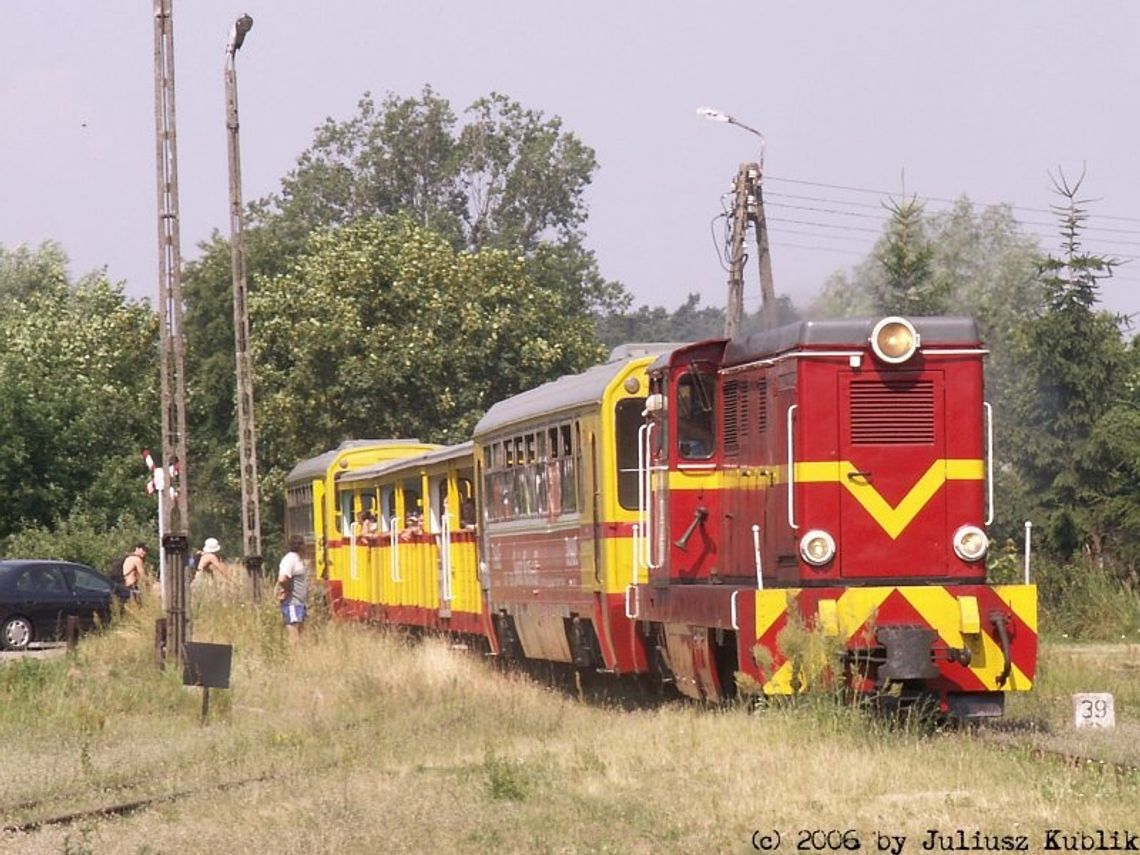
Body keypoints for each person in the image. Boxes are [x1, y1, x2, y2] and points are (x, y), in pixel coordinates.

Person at [276, 535, 309, 644]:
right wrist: (288, 589)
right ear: (300, 546)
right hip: (292, 603)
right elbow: (282, 579)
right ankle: (293, 658)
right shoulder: (290, 559)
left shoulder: (298, 559)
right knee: (294, 634)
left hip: (300, 602)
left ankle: (298, 658)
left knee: (300, 633)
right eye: (304, 544)